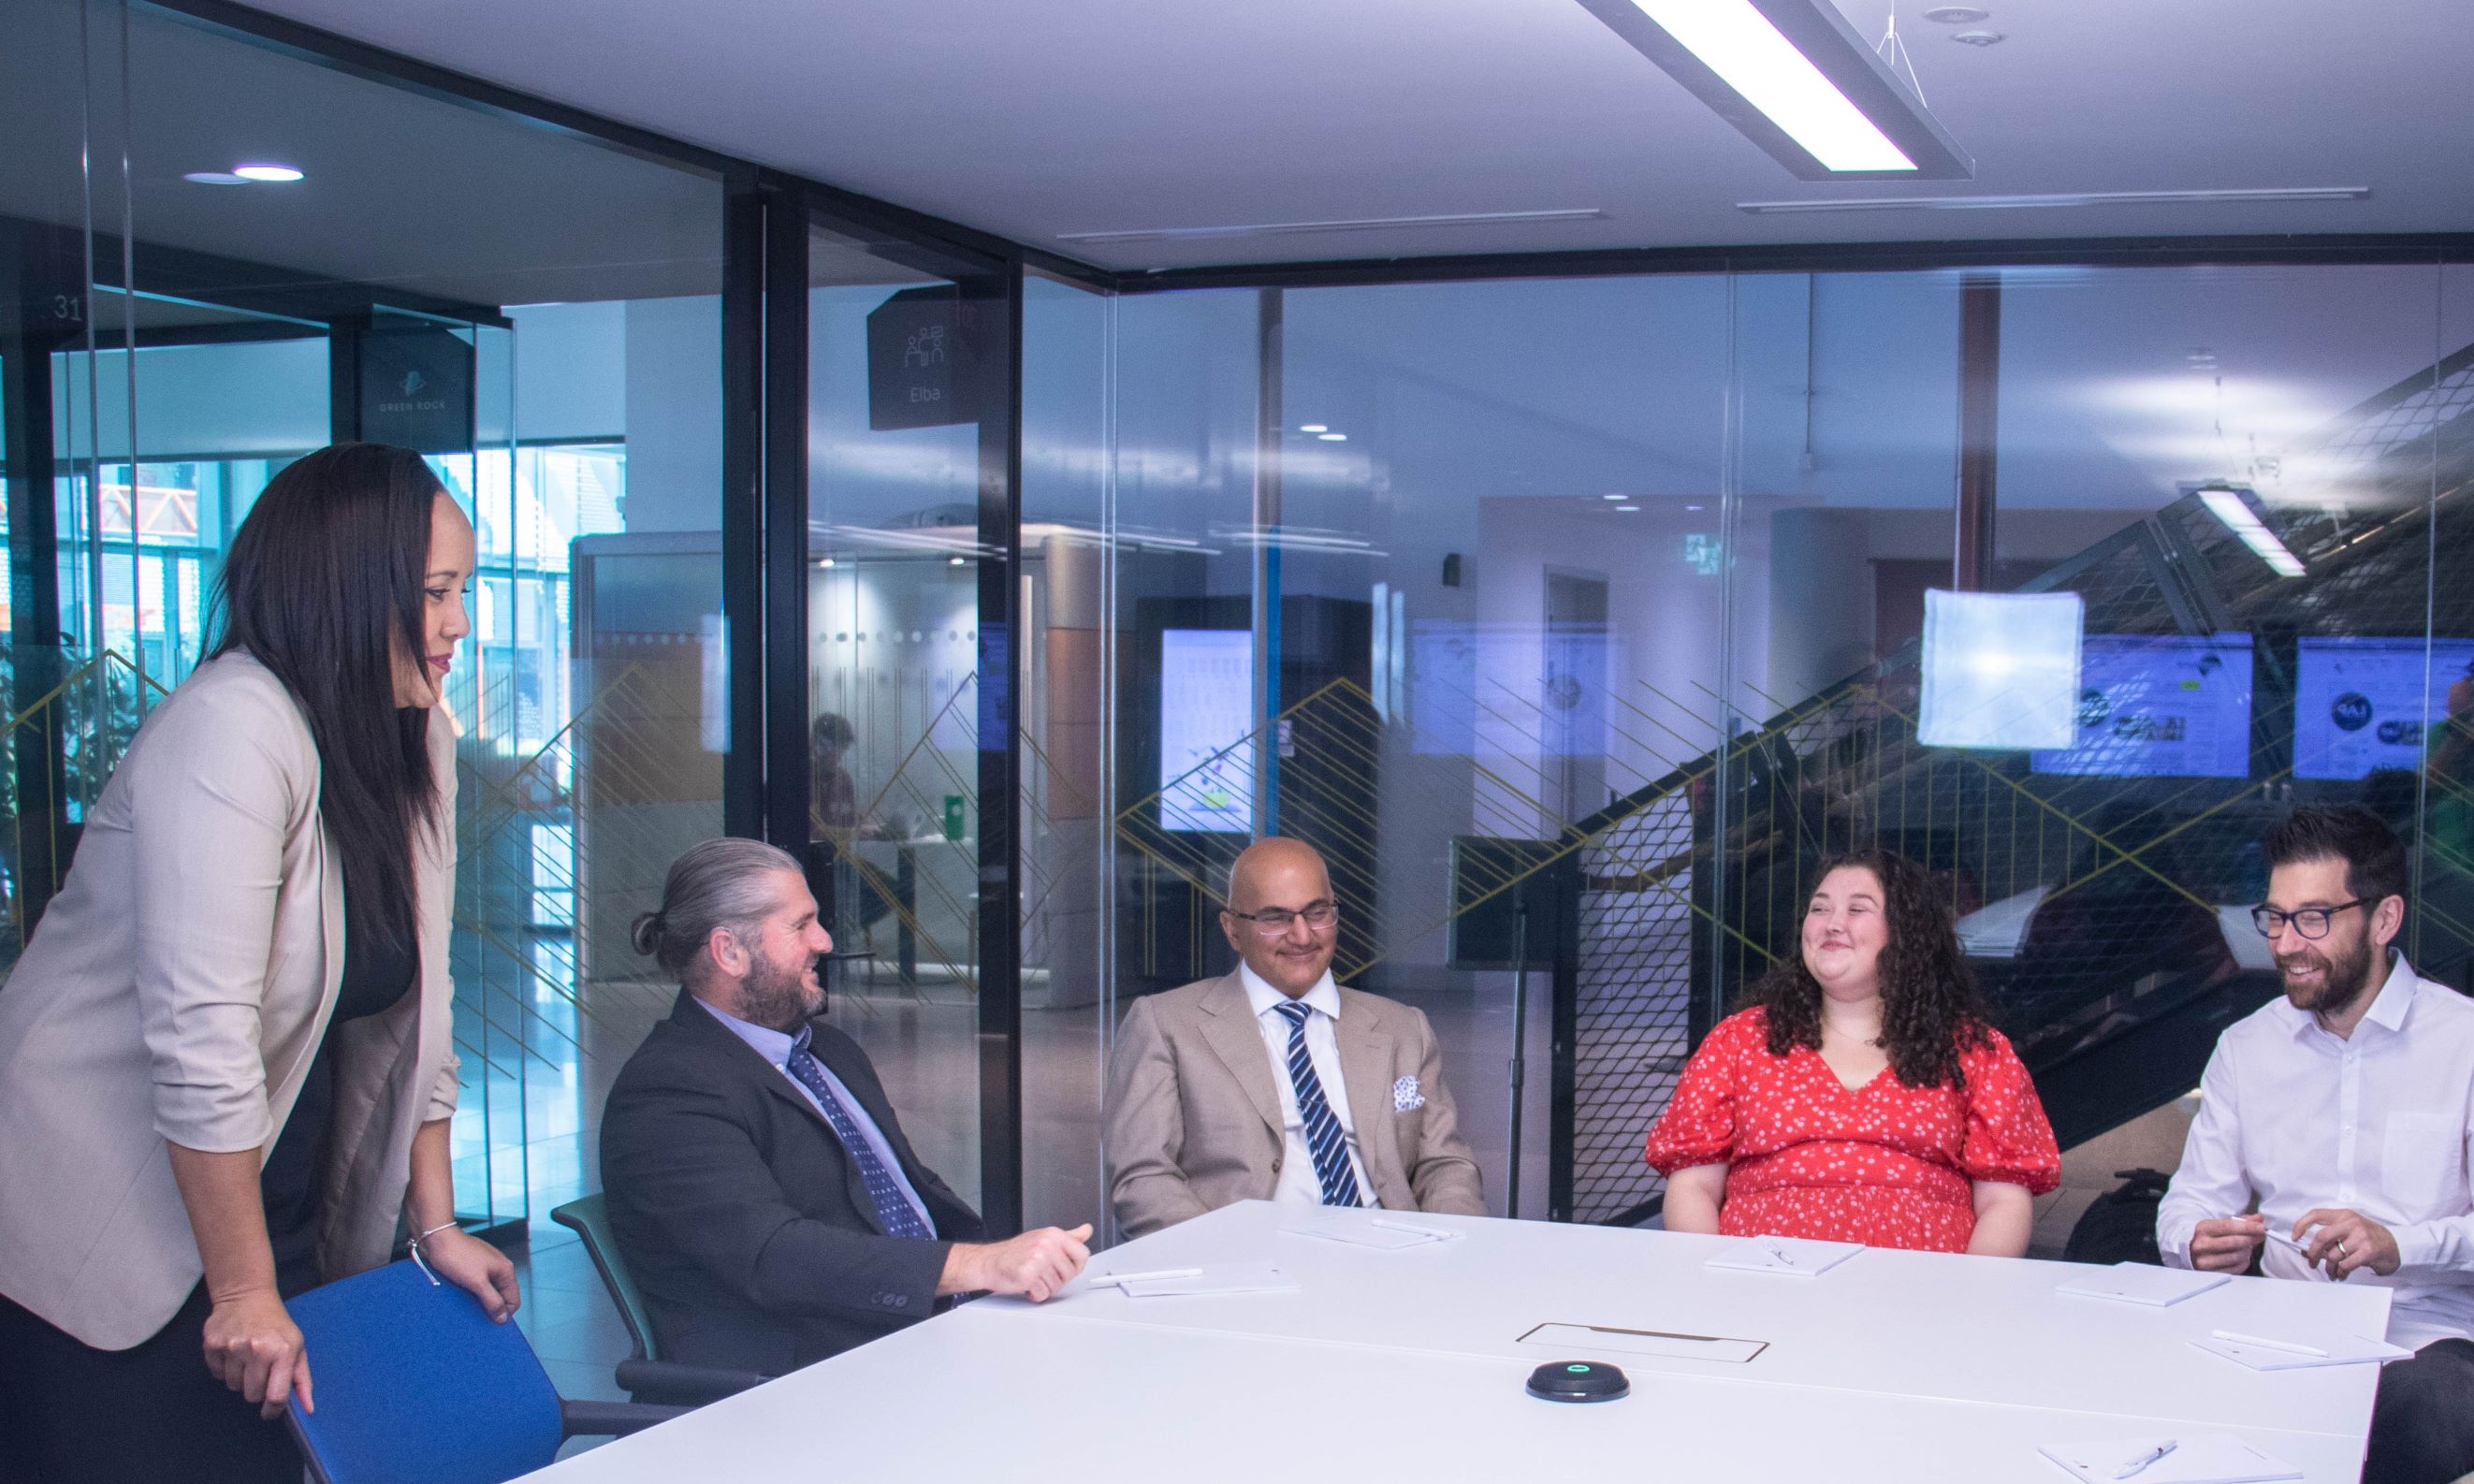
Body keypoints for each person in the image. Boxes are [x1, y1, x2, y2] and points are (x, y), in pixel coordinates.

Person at [0, 444, 515, 1484]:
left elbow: (424, 1012)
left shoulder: (414, 742)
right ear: (345, 585)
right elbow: (200, 1038)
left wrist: (436, 1222)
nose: (460, 620)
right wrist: (241, 1289)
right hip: (104, 1224)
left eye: (465, 589)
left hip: (261, 1191)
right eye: (434, 591)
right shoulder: (232, 725)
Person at [600, 837, 1091, 1374]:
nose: (825, 941)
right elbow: (774, 1256)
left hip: (919, 1334)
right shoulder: (668, 1092)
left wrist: (1007, 1267)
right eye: (800, 924)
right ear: (729, 952)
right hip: (801, 1382)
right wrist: (977, 1266)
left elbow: (912, 1194)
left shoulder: (827, 1052)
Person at [2156, 805, 2474, 1484]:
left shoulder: (2464, 1042)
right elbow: (2185, 1207)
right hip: (2279, 1327)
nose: (2285, 943)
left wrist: (2400, 1244)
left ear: (2384, 920)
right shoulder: (2246, 1048)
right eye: (2275, 917)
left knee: (2427, 1410)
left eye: (2313, 919)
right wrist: (2196, 1241)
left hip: (2428, 1337)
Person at [1647, 848, 2061, 1255]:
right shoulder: (1738, 1040)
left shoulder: (1976, 1051)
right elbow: (1694, 1186)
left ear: (1907, 931)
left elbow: (2004, 1202)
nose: (1832, 924)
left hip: (1922, 1301)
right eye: (1820, 909)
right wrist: (1710, 1284)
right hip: (1762, 1295)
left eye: (1857, 909)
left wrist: (1967, 1300)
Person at [1103, 836, 1486, 1238]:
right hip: (1246, 1262)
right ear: (1232, 930)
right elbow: (1143, 1178)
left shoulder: (1404, 1027)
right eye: (1275, 918)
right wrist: (1222, 1260)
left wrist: (1451, 1248)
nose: (1303, 936)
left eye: (1317, 912)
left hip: (1389, 1257)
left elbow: (1444, 1164)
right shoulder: (1165, 1025)